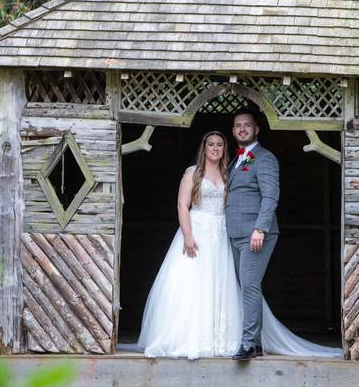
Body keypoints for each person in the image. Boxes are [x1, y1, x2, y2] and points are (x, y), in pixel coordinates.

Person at [129, 126, 341, 360]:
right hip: (197, 231)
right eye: (211, 145)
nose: (215, 148)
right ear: (204, 148)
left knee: (224, 284)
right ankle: (189, 337)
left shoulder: (229, 172)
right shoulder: (193, 172)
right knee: (193, 284)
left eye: (220, 145)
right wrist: (188, 235)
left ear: (224, 149)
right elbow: (182, 206)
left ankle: (226, 338)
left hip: (222, 234)